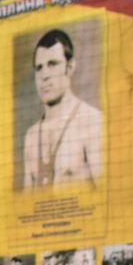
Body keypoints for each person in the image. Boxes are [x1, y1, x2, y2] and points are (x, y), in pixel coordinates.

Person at [22, 28, 103, 190]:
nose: (44, 75)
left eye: (52, 64)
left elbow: (109, 197)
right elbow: (26, 207)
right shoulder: (31, 136)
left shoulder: (93, 122)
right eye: (39, 68)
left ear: (70, 67)